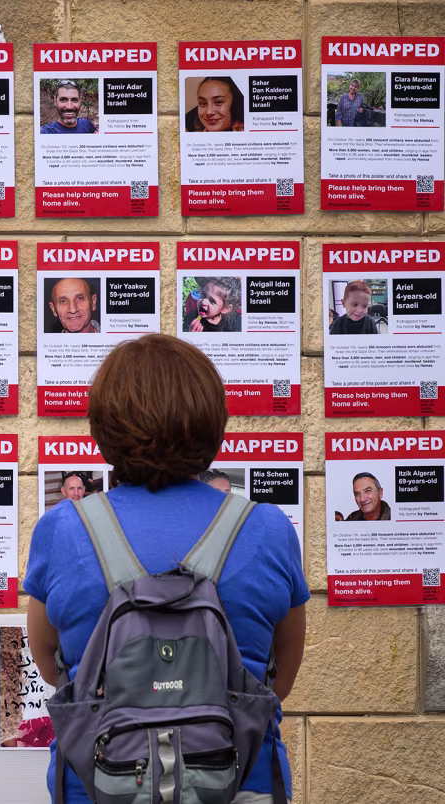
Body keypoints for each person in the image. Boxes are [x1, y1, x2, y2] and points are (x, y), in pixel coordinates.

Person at [24, 334, 307, 804]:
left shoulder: (64, 531)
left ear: (102, 425)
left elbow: (55, 669)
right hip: (240, 783)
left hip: (98, 784)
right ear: (212, 421)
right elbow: (280, 682)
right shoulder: (267, 528)